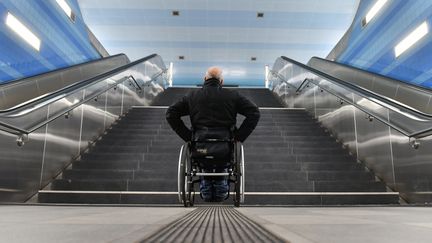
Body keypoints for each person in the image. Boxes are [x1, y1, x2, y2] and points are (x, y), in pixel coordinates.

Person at [166, 66, 260, 202]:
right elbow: (254, 112)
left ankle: (207, 188)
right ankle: (220, 188)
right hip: (225, 146)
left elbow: (171, 113)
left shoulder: (192, 96)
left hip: (199, 145)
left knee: (203, 161)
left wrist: (188, 136)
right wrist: (239, 137)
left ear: (205, 79)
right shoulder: (232, 95)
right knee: (222, 160)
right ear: (221, 81)